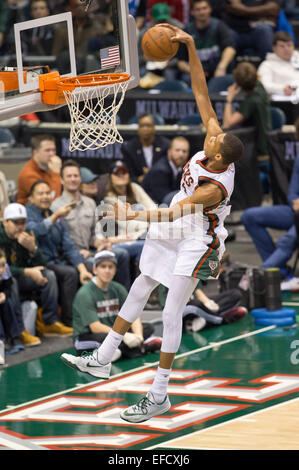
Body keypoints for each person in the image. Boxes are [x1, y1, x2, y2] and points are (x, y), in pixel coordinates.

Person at [61, 23, 244, 423]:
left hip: (199, 237)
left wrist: (132, 215)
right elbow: (200, 91)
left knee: (171, 310)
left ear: (218, 159)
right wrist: (191, 47)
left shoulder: (215, 187)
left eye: (213, 140)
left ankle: (159, 394)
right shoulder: (218, 143)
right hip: (178, 219)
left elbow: (173, 213)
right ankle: (103, 357)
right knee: (143, 282)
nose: (211, 132)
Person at [51, 160, 132, 290]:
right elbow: (57, 243)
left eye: (76, 176)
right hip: (70, 257)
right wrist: (78, 253)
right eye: (69, 176)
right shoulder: (55, 206)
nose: (73, 179)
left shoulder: (90, 203)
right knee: (100, 265)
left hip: (90, 252)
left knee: (121, 254)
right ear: (61, 180)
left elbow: (94, 234)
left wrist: (101, 243)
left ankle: (124, 302)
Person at [0, 203, 72, 343]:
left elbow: (42, 264)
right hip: (5, 282)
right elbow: (3, 270)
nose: (20, 226)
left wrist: (33, 248)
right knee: (12, 281)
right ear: (5, 222)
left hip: (23, 277)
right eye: (16, 223)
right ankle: (20, 330)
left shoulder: (27, 234)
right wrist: (27, 271)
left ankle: (50, 323)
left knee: (48, 275)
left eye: (23, 222)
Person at [72, 250, 161, 360]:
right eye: (103, 267)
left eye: (111, 267)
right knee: (105, 339)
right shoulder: (85, 293)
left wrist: (139, 336)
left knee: (147, 327)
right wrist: (124, 336)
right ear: (95, 270)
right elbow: (95, 327)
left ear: (115, 270)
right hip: (88, 337)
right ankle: (138, 348)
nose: (107, 270)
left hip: (114, 333)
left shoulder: (118, 288)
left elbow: (133, 313)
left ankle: (133, 346)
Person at [26, 180, 92, 327]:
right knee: (69, 273)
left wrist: (82, 270)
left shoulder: (56, 216)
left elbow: (69, 246)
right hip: (40, 263)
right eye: (40, 193)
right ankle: (70, 320)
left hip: (58, 261)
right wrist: (55, 216)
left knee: (90, 266)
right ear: (31, 198)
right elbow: (35, 231)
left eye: (47, 193)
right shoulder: (27, 215)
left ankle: (92, 315)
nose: (45, 196)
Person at [241, 152, 299, 273]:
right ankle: (279, 271)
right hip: (295, 212)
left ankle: (265, 272)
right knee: (249, 217)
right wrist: (295, 202)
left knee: (288, 239)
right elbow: (292, 193)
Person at [102, 160, 157, 277]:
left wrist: (150, 220)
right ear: (110, 177)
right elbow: (128, 225)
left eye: (124, 172)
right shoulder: (109, 199)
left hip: (143, 235)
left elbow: (152, 207)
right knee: (149, 246)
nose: (121, 175)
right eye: (117, 173)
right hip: (123, 240)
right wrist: (148, 222)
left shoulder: (134, 187)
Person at [177, 0, 236, 87]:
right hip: (196, 70)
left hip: (216, 67)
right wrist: (192, 71)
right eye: (198, 9)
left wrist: (221, 67)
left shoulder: (219, 26)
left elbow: (230, 48)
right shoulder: (186, 31)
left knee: (227, 71)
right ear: (192, 12)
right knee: (187, 78)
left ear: (210, 9)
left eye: (204, 8)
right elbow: (181, 61)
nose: (202, 12)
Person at [222, 62, 272, 159]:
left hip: (260, 150)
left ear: (238, 83)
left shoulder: (251, 102)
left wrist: (229, 99)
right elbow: (256, 77)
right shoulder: (260, 86)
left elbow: (227, 124)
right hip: (267, 141)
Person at [121, 113, 170, 184]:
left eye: (148, 125)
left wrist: (152, 172)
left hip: (160, 183)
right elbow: (128, 173)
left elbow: (168, 170)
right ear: (138, 129)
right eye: (142, 126)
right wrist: (138, 179)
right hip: (138, 185)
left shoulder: (165, 145)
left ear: (154, 128)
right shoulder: (129, 147)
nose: (145, 129)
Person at [142, 136, 190, 205]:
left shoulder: (183, 168)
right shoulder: (160, 170)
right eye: (177, 150)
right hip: (149, 208)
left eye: (184, 151)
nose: (181, 154)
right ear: (169, 152)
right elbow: (166, 200)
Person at [17, 134, 62, 206]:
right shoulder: (28, 174)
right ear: (35, 152)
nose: (52, 154)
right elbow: (52, 200)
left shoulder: (48, 167)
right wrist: (56, 174)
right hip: (30, 215)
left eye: (53, 150)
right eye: (47, 150)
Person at [257, 31, 299, 96]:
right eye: (282, 46)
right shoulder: (267, 65)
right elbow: (263, 85)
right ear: (274, 48)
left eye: (289, 45)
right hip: (282, 102)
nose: (287, 49)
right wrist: (282, 88)